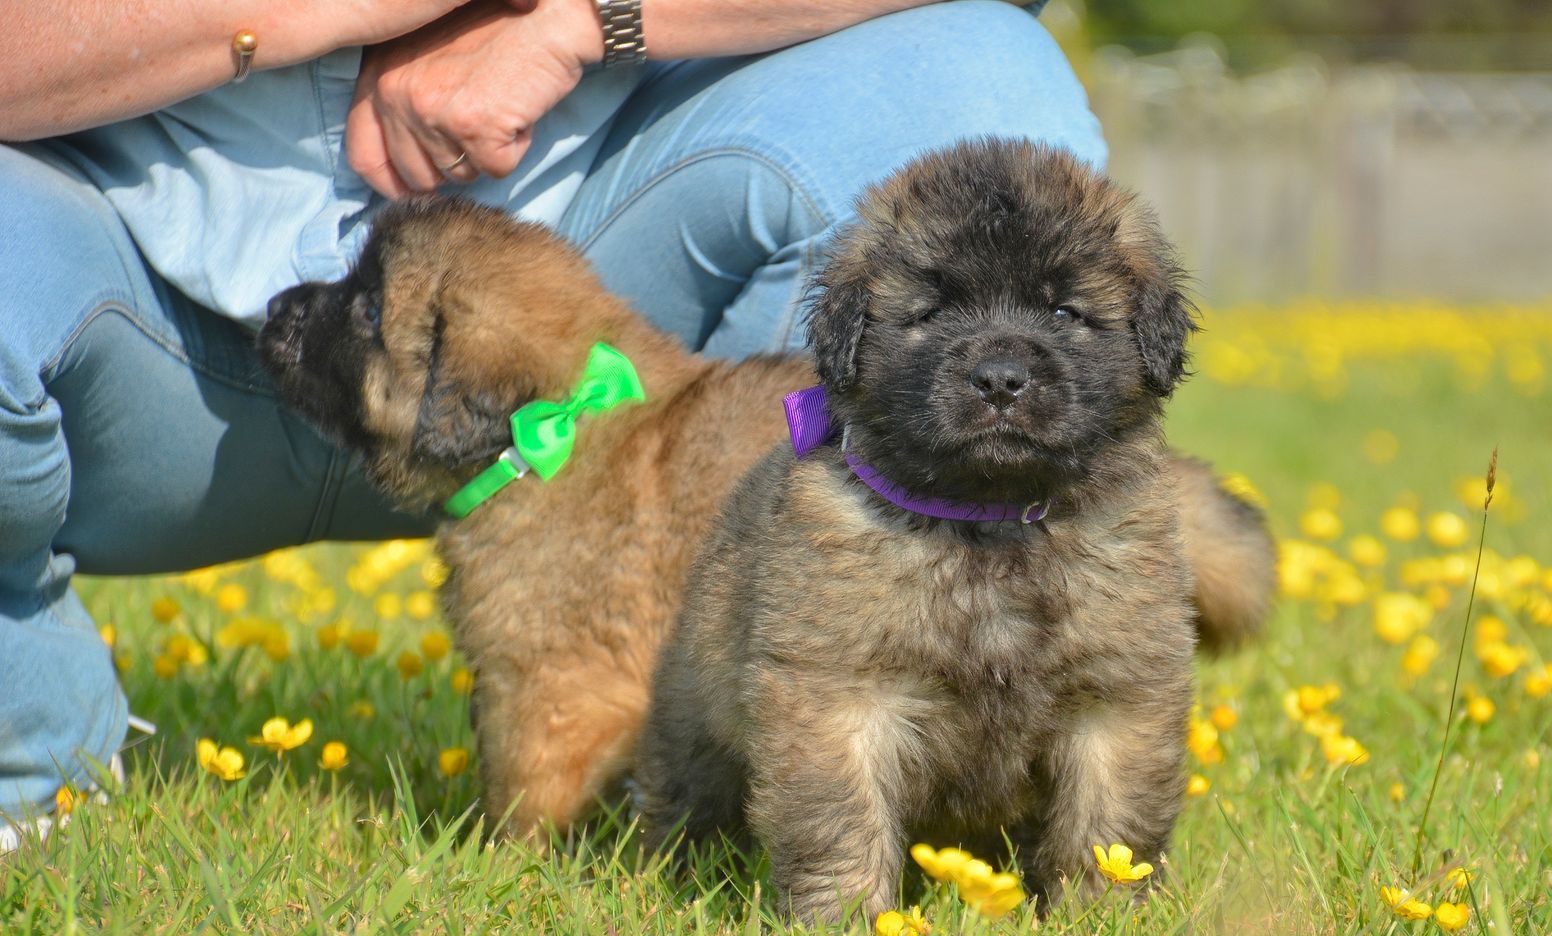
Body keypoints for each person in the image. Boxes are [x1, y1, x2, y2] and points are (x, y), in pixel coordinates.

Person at [0, 0, 1105, 842]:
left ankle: (826, 762)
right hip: (133, 333)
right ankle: (39, 773)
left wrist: (583, 17)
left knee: (979, 77)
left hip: (598, 311)